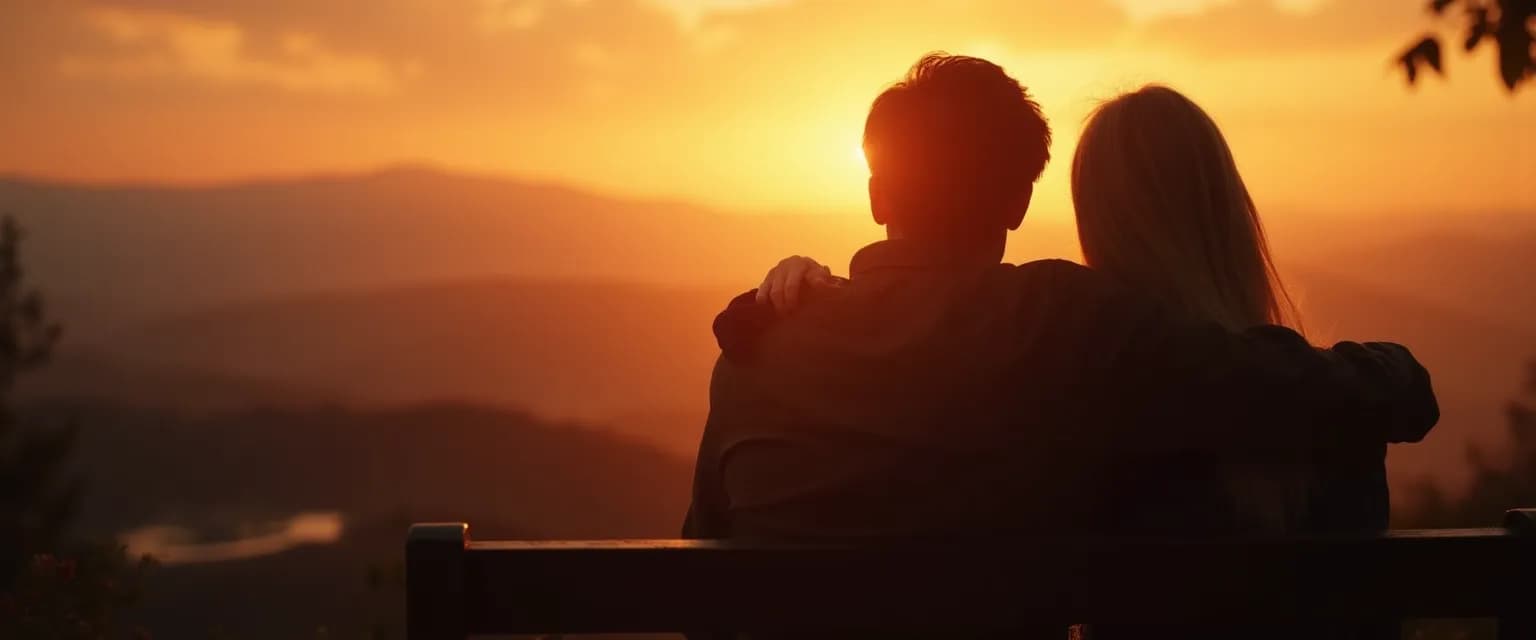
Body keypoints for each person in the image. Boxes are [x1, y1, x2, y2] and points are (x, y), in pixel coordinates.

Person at [683, 53, 1436, 635]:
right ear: (1019, 200)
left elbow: (704, 567)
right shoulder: (1061, 322)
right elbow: (1291, 389)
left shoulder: (756, 347)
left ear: (877, 194)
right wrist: (1396, 373)